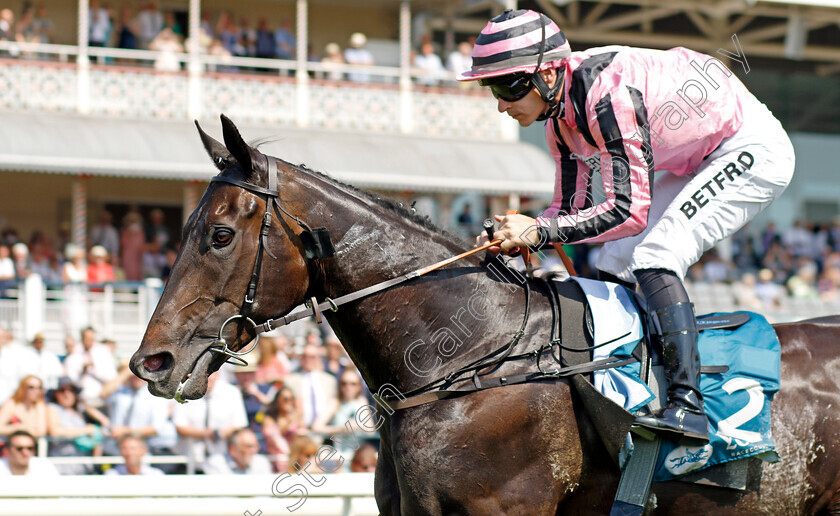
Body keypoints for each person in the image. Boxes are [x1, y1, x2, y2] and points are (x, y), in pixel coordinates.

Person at [461, 9, 795, 443]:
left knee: (657, 253)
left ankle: (688, 406)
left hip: (748, 146)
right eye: (493, 89)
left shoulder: (608, 99)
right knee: (614, 257)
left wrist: (539, 233)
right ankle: (621, 381)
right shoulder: (559, 121)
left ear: (547, 73)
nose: (502, 104)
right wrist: (516, 233)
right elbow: (568, 210)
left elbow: (628, 211)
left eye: (508, 86)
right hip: (696, 155)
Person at [46, 377, 109, 475]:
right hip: (62, 466)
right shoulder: (52, 408)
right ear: (56, 394)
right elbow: (55, 431)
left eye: (71, 390)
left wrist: (85, 406)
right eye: (62, 390)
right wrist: (86, 430)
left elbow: (105, 422)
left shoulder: (78, 411)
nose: (67, 394)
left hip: (82, 466)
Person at [204, 428, 272, 474]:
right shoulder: (215, 464)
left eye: (256, 446)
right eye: (248, 446)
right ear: (233, 449)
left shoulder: (262, 462)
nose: (254, 450)